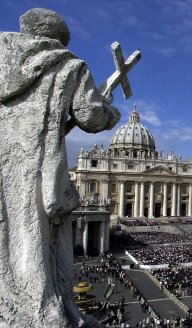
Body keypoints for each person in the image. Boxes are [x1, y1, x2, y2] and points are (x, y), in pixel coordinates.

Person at [0, 8, 120, 327]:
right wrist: (110, 111)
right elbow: (92, 116)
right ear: (60, 37)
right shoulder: (67, 63)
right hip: (37, 167)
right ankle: (41, 313)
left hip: (4, 161)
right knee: (36, 238)